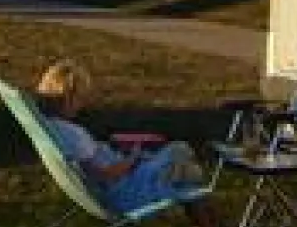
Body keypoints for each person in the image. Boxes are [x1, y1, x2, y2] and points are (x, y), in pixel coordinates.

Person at [35, 59, 219, 227]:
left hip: (115, 185)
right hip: (126, 191)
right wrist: (133, 158)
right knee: (186, 163)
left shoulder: (50, 128)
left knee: (185, 162)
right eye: (80, 99)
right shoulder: (73, 134)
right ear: (68, 97)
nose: (82, 104)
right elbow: (105, 174)